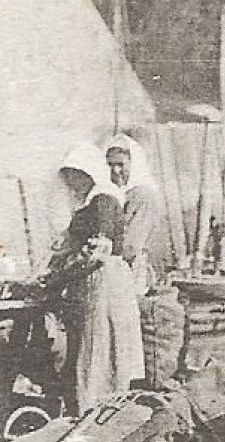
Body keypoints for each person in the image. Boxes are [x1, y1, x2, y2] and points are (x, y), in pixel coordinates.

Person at [46, 143, 144, 414]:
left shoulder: (103, 199)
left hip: (103, 281)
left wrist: (58, 278)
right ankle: (99, 407)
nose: (71, 183)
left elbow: (99, 250)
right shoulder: (96, 199)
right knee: (100, 348)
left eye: (75, 176)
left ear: (89, 173)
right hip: (101, 279)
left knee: (99, 346)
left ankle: (95, 411)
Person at [102, 132, 163, 293]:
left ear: (134, 164)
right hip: (114, 266)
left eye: (121, 165)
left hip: (130, 268)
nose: (115, 170)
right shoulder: (117, 193)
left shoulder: (143, 195)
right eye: (110, 165)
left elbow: (132, 246)